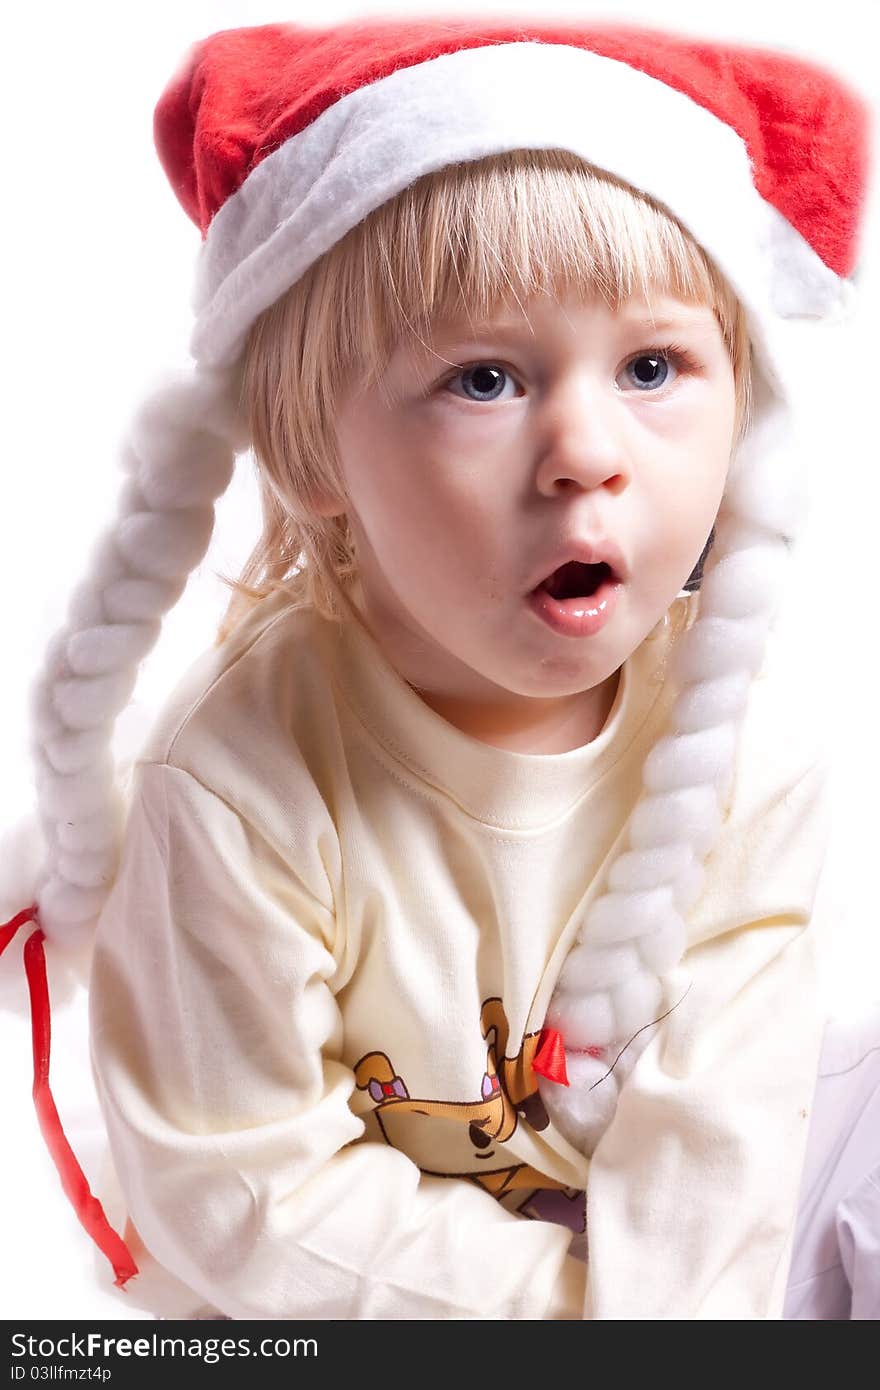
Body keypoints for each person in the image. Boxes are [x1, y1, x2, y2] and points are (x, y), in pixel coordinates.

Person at [0, 14, 874, 1319]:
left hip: (668, 1226)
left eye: (652, 366)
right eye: (484, 377)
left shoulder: (747, 740)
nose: (586, 450)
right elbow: (248, 1197)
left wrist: (680, 1313)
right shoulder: (241, 784)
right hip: (393, 1272)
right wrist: (584, 1314)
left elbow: (719, 1131)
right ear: (310, 456)